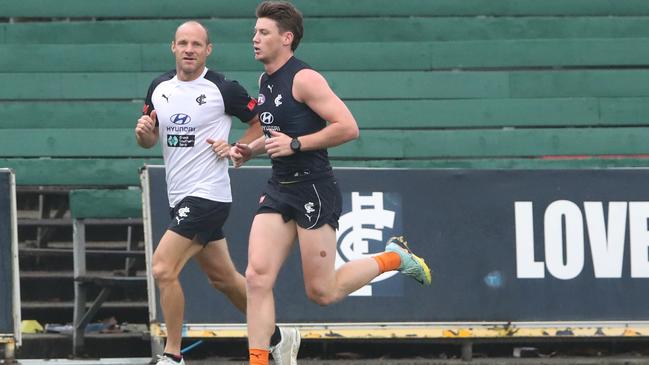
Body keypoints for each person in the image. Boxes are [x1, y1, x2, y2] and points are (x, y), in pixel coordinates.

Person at [229, 2, 432, 364]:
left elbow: (348, 127)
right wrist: (251, 149)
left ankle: (394, 257)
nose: (254, 38)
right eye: (255, 32)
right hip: (279, 187)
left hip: (313, 189)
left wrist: (295, 145)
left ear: (286, 38)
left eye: (263, 33)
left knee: (322, 292)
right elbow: (278, 130)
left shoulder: (305, 78)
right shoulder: (265, 80)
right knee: (256, 277)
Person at [134, 20, 300, 365]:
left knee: (163, 268)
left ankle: (172, 355)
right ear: (173, 48)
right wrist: (145, 133)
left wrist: (237, 146)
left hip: (209, 195)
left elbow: (262, 120)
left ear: (208, 50)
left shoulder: (223, 88)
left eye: (197, 44)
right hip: (179, 196)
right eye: (183, 43)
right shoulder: (158, 88)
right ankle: (277, 336)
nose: (189, 49)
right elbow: (149, 140)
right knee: (223, 279)